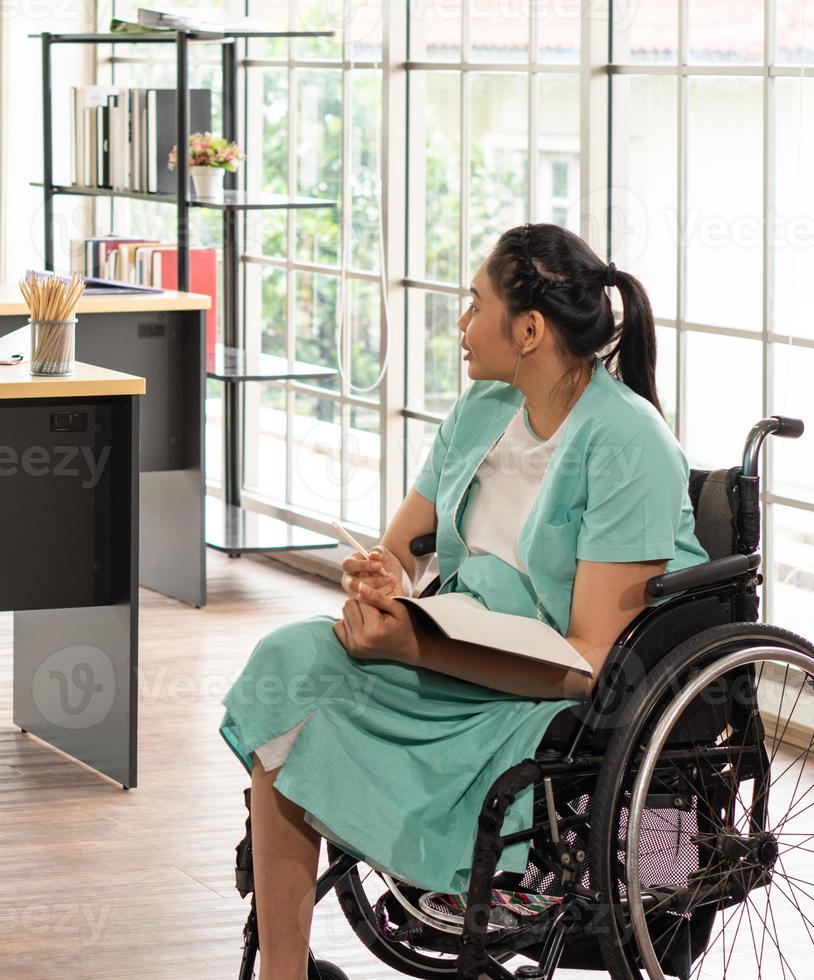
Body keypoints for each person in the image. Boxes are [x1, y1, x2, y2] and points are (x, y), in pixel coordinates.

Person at [219, 223, 709, 980]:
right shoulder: (481, 411)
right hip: (458, 647)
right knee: (290, 662)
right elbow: (403, 548)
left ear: (530, 330)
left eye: (473, 304)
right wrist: (382, 584)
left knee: (346, 692)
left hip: (550, 692)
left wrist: (411, 644)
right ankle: (285, 972)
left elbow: (586, 661)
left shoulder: (627, 443)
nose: (460, 324)